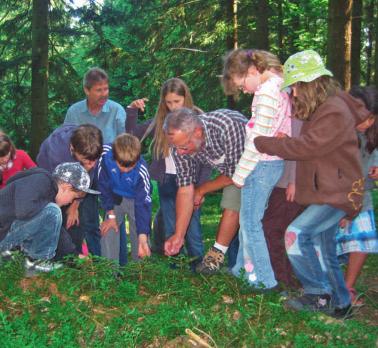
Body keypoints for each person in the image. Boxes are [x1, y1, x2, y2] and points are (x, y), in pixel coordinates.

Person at [254, 50, 371, 318]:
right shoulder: (327, 108)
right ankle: (341, 305)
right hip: (328, 190)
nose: (293, 94)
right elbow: (317, 146)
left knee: (295, 234)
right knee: (326, 249)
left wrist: (265, 142)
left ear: (308, 83)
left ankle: (318, 294)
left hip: (337, 193)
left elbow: (307, 146)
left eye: (295, 86)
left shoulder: (334, 110)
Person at [222, 49, 292, 290]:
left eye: (242, 84)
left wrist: (240, 175)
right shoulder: (277, 85)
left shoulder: (267, 93)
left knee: (251, 222)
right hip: (266, 163)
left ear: (251, 71)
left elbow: (257, 139)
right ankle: (242, 269)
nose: (243, 90)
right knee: (247, 219)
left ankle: (265, 280)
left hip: (261, 164)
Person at [64, 67, 144, 262]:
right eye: (99, 90)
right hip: (84, 174)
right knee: (89, 221)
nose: (104, 94)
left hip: (111, 175)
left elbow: (127, 142)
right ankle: (101, 264)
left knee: (114, 219)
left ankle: (121, 264)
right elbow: (68, 144)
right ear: (87, 90)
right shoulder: (74, 112)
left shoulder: (116, 110)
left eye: (106, 89)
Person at [130, 78, 211, 269]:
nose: (173, 107)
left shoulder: (199, 119)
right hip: (167, 179)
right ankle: (174, 262)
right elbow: (132, 133)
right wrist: (132, 110)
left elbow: (207, 158)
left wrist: (202, 186)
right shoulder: (160, 121)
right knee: (170, 222)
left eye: (177, 101)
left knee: (192, 223)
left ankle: (197, 262)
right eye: (169, 102)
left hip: (191, 181)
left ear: (186, 98)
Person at [163, 108, 247, 274]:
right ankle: (229, 265)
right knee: (234, 198)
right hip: (235, 174)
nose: (179, 152)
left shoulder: (227, 125)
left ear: (198, 132)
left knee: (237, 204)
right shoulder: (180, 146)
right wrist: (178, 236)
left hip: (264, 167)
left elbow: (238, 173)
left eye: (184, 147)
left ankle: (217, 259)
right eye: (175, 147)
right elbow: (185, 189)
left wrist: (202, 190)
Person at [0, 162, 100, 275]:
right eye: (74, 197)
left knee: (53, 213)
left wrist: (75, 256)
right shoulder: (41, 180)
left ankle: (27, 263)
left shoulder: (47, 196)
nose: (71, 202)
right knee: (53, 211)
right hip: (3, 235)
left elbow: (58, 234)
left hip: (8, 236)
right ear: (66, 187)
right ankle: (37, 262)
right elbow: (23, 210)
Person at [335, 86, 378, 305]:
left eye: (372, 118)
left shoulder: (372, 136)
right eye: (364, 116)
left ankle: (348, 286)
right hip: (336, 196)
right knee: (328, 240)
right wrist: (344, 207)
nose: (367, 122)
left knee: (362, 240)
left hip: (362, 195)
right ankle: (327, 285)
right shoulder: (338, 133)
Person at [36, 124, 103, 256]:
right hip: (51, 178)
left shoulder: (92, 146)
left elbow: (87, 178)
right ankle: (56, 259)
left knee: (80, 220)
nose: (93, 164)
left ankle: (83, 260)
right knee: (55, 219)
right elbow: (64, 190)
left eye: (95, 159)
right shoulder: (57, 153)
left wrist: (75, 205)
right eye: (88, 160)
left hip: (77, 179)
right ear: (73, 149)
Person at [98, 134, 152, 262]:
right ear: (114, 156)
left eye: (130, 165)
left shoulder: (141, 171)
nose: (126, 170)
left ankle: (141, 272)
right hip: (114, 198)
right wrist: (110, 214)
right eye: (121, 165)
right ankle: (109, 275)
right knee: (109, 231)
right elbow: (103, 185)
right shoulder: (105, 156)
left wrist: (143, 236)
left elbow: (143, 204)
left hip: (136, 201)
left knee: (140, 236)